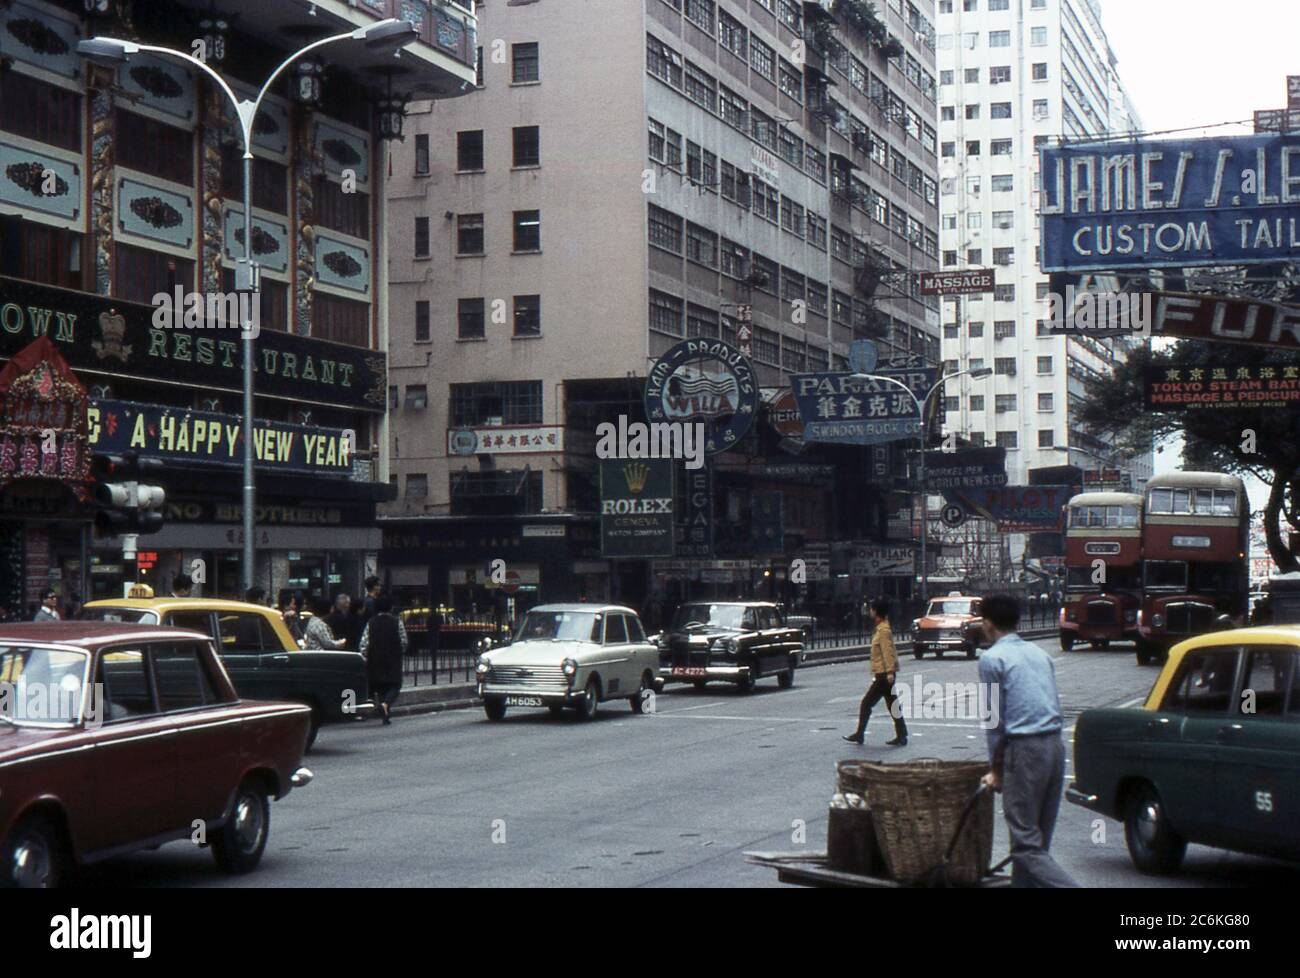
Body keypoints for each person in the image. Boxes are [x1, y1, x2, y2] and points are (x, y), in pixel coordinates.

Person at [977, 594, 1079, 888]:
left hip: (1024, 751)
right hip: (1054, 748)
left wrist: (996, 771)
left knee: (1025, 846)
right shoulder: (1039, 654)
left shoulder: (992, 658)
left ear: (987, 623)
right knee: (1037, 844)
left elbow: (995, 722)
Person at [843, 598, 908, 747]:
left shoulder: (883, 630)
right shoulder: (881, 628)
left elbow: (888, 652)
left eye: (872, 609)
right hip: (884, 674)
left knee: (866, 704)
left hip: (884, 675)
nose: (870, 611)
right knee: (893, 706)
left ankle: (860, 734)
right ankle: (902, 734)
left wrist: (890, 672)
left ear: (876, 611)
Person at [360, 595, 406, 725]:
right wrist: (399, 652)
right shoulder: (397, 621)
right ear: (390, 607)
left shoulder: (371, 622)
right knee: (395, 685)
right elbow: (404, 641)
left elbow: (364, 643)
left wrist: (366, 656)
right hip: (393, 658)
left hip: (375, 659)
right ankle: (386, 705)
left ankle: (384, 709)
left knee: (380, 686)